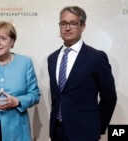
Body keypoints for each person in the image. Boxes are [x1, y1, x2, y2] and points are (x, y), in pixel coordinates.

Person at [47, 6, 117, 141]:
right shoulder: (52, 58)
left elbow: (109, 97)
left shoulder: (96, 58)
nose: (67, 28)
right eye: (63, 23)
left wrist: (97, 127)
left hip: (85, 133)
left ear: (83, 26)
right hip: (57, 132)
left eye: (73, 23)